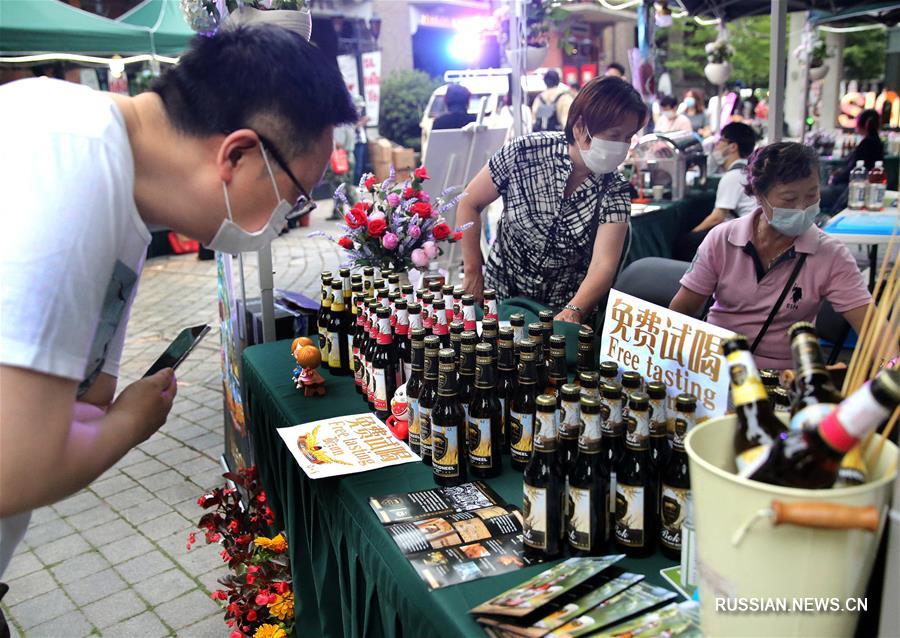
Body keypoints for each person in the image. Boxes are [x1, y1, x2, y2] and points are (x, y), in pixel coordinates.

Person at [0, 16, 356, 572]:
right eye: (293, 197)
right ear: (236, 156)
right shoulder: (69, 163)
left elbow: (86, 397)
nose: (286, 220)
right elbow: (14, 465)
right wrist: (131, 424)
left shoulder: (121, 191)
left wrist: (105, 415)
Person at [458, 77, 648, 324]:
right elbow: (469, 203)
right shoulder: (524, 152)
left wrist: (573, 311)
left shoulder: (615, 189)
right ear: (580, 128)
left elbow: (603, 265)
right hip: (500, 299)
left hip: (562, 311)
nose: (622, 146)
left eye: (628, 137)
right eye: (614, 135)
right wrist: (473, 272)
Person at [669, 143, 871, 370]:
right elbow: (682, 310)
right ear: (758, 195)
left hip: (783, 377)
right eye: (789, 199)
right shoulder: (722, 238)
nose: (803, 207)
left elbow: (874, 332)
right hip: (718, 366)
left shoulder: (831, 254)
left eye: (812, 194)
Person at [674, 122, 758, 260]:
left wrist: (691, 234)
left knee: (685, 244)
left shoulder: (733, 176)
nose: (716, 146)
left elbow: (717, 217)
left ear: (732, 147)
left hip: (742, 236)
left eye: (720, 141)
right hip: (749, 232)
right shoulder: (749, 172)